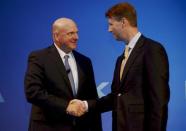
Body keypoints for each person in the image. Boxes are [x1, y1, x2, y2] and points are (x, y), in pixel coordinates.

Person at [70, 2, 170, 131]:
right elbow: (115, 97)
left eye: (111, 24)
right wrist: (85, 105)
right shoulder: (120, 59)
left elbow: (158, 100)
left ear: (123, 22)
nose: (109, 29)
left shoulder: (152, 50)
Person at [24, 17, 102, 131]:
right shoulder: (39, 58)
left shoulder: (85, 61)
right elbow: (33, 92)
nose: (76, 37)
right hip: (48, 127)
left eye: (76, 33)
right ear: (56, 36)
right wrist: (66, 106)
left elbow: (92, 98)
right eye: (71, 33)